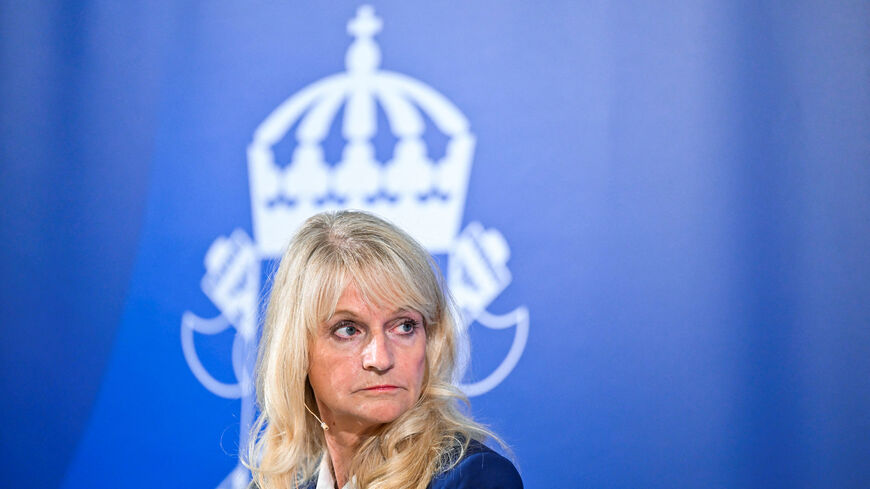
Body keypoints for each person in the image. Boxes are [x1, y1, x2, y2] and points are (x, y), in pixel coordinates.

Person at [245, 210, 522, 489]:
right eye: (348, 330)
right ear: (297, 350)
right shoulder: (276, 485)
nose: (381, 359)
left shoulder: (473, 478)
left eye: (404, 326)